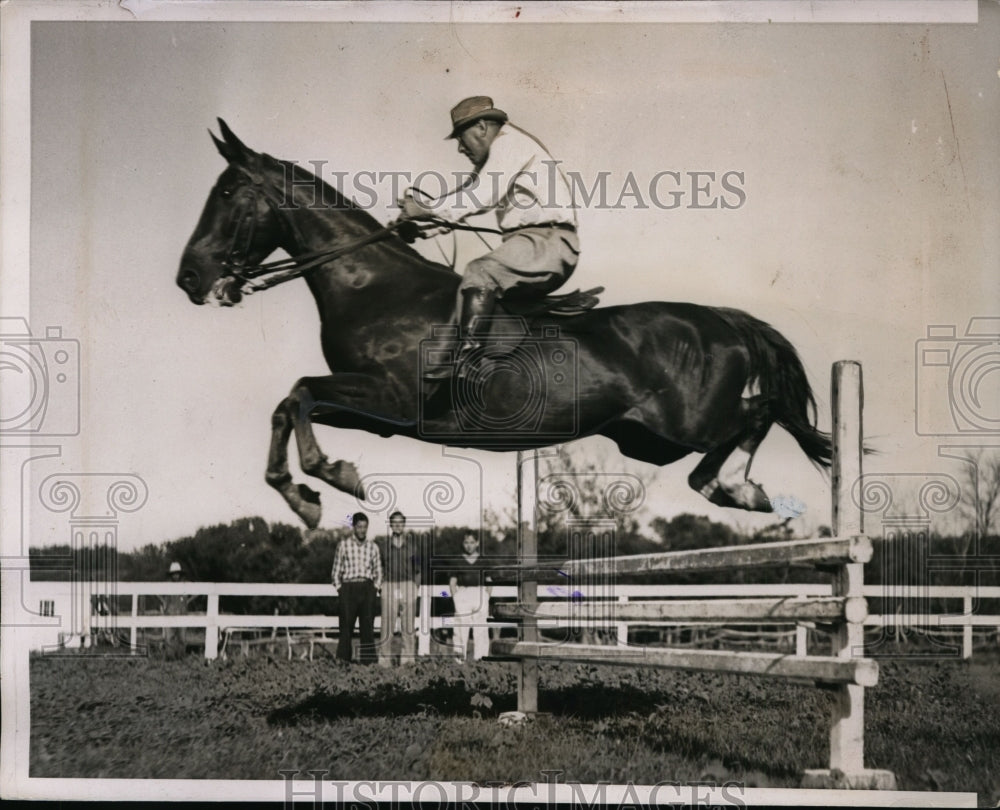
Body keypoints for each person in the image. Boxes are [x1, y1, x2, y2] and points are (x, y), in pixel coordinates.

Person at [398, 96, 580, 380]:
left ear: (481, 127)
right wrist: (424, 229)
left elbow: (479, 198)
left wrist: (424, 209)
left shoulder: (508, 144)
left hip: (546, 244)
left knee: (479, 272)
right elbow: (464, 200)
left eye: (462, 137)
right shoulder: (500, 153)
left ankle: (467, 362)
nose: (460, 148)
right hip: (537, 243)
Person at [331, 512, 383, 664]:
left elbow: (378, 571)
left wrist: (374, 588)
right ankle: (343, 660)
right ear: (354, 527)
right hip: (348, 588)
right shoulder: (344, 545)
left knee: (367, 627)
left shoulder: (373, 547)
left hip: (367, 588)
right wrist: (341, 589)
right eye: (359, 527)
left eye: (365, 527)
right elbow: (336, 571)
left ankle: (368, 663)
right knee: (346, 626)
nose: (362, 530)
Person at [377, 511, 424, 667]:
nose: (397, 526)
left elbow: (418, 570)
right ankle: (384, 660)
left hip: (407, 585)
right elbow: (379, 568)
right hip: (389, 584)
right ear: (390, 525)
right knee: (387, 625)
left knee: (408, 626)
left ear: (404, 524)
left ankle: (408, 659)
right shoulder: (384, 546)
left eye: (400, 523)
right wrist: (381, 585)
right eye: (394, 523)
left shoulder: (412, 547)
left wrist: (414, 588)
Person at [449, 531, 493, 662]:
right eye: (466, 542)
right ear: (463, 543)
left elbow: (489, 581)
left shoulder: (483, 561)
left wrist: (486, 596)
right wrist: (456, 597)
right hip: (463, 594)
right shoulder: (457, 561)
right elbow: (452, 583)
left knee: (481, 629)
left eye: (472, 542)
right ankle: (459, 661)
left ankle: (480, 659)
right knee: (461, 628)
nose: (469, 546)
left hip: (479, 594)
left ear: (477, 543)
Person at [160, 561, 194, 659]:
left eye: (177, 573)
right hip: (170, 613)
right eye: (174, 574)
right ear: (171, 575)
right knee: (169, 638)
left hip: (182, 613)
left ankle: (181, 658)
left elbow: (196, 589)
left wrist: (188, 601)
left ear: (180, 573)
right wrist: (165, 606)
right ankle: (170, 658)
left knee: (182, 638)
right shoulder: (166, 585)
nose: (176, 575)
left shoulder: (185, 584)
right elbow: (159, 595)